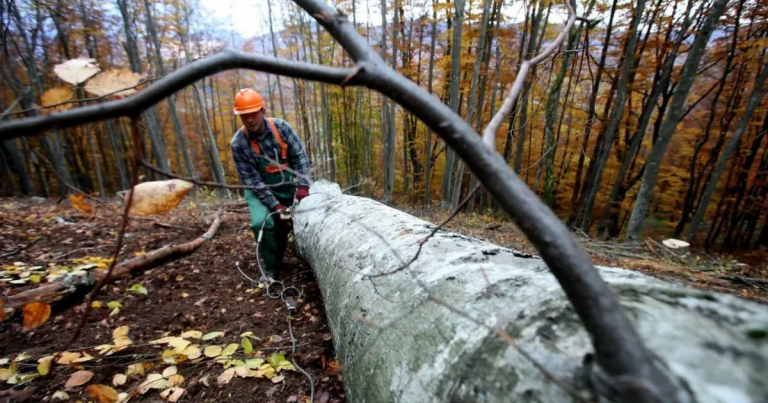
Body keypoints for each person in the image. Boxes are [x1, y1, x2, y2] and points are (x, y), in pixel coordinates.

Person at [230, 88, 311, 283]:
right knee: (263, 223)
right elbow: (253, 181)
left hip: (290, 183)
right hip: (260, 190)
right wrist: (275, 206)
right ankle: (270, 269)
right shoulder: (239, 144)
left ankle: (304, 258)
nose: (250, 119)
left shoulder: (281, 128)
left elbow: (300, 157)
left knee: (305, 219)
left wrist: (303, 186)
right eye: (244, 115)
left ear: (263, 111)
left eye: (253, 113)